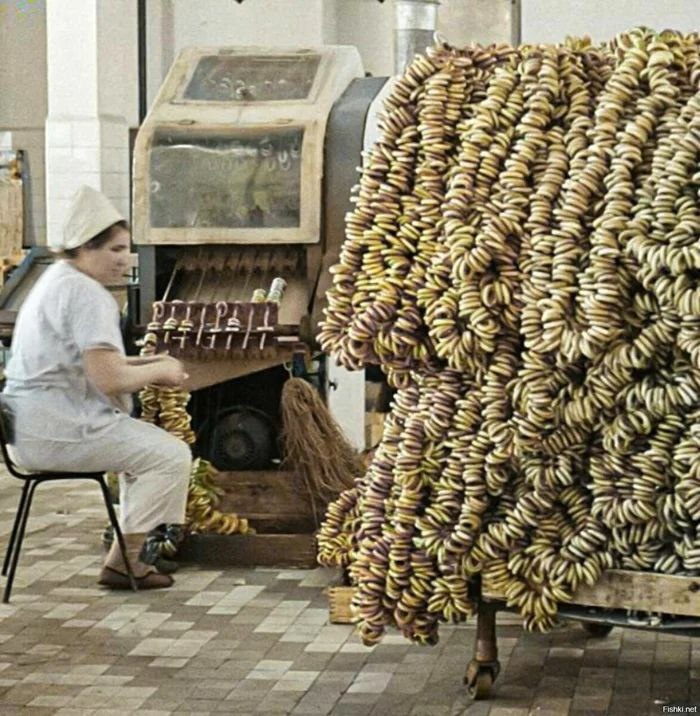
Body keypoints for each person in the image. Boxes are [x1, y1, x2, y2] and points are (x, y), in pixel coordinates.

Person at [2, 185, 192, 590]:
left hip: (31, 425)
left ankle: (125, 555)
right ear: (85, 248)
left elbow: (95, 366)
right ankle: (126, 562)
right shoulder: (87, 294)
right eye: (114, 250)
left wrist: (154, 363)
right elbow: (109, 378)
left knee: (140, 451)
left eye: (127, 249)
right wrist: (161, 371)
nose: (124, 260)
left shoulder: (56, 279)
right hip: (57, 428)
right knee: (171, 456)